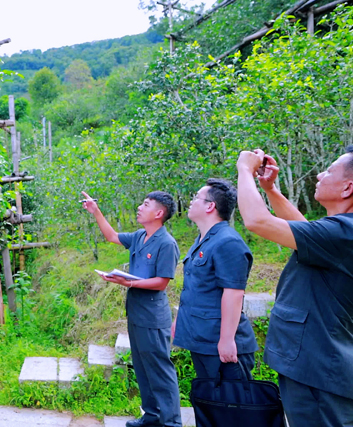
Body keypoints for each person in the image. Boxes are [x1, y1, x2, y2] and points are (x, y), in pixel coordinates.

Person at [236, 146, 353, 427]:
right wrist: (270, 190)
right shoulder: (352, 230)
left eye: (330, 171)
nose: (320, 175)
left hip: (321, 374)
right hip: (317, 367)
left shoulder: (349, 234)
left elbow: (257, 221)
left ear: (348, 187)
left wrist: (244, 169)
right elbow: (304, 229)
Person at [82, 190, 181, 427]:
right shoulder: (139, 236)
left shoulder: (167, 243)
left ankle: (172, 422)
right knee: (142, 367)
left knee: (160, 370)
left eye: (145, 204)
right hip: (136, 313)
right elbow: (112, 236)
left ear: (158, 213)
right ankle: (152, 416)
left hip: (153, 317)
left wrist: (129, 283)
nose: (139, 207)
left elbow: (162, 282)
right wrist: (96, 211)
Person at [172, 179, 259, 381]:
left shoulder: (228, 242)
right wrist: (179, 320)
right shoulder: (204, 240)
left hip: (220, 343)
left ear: (210, 206)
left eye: (196, 198)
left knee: (232, 399)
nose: (191, 202)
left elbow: (233, 293)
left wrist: (227, 340)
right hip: (202, 338)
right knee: (209, 398)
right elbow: (197, 288)